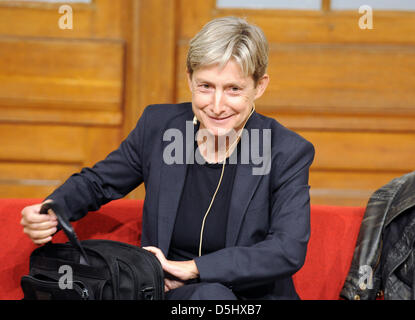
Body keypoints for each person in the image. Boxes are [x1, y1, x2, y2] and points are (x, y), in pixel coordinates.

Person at [20, 16, 315, 300]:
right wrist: (54, 208)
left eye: (233, 90)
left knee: (211, 295)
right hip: (171, 292)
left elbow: (286, 249)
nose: (217, 105)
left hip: (249, 296)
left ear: (259, 86)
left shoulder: (286, 151)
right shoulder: (159, 127)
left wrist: (192, 269)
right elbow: (99, 182)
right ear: (189, 79)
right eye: (206, 86)